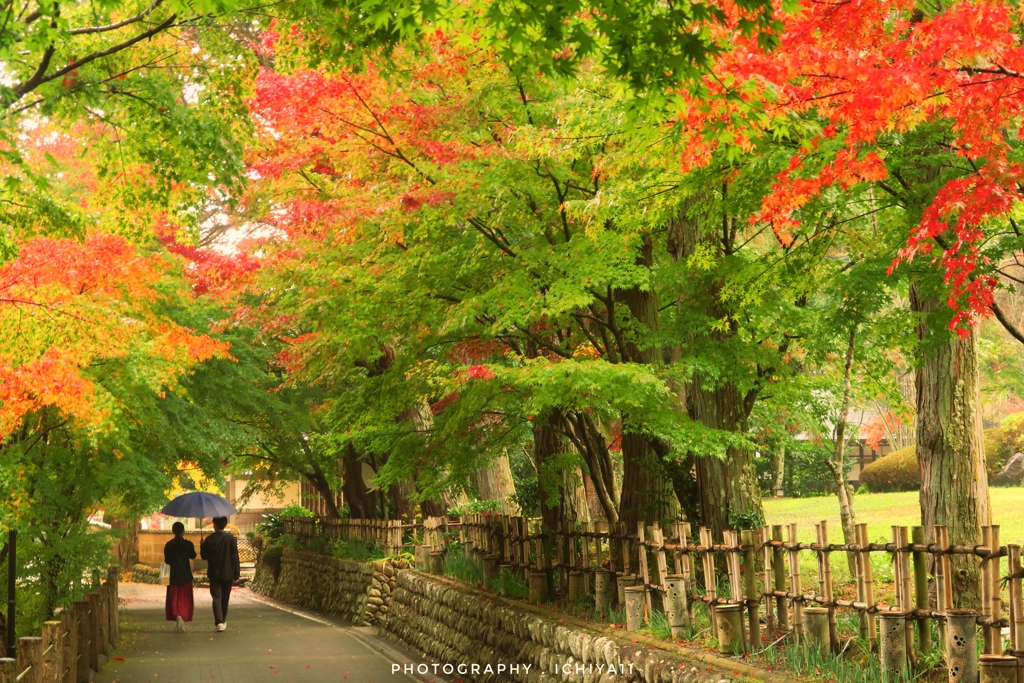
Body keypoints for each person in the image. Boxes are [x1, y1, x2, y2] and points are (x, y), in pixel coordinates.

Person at [200, 516, 240, 632]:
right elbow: (235, 557)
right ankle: (223, 619)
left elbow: (204, 556)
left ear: (215, 525)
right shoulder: (231, 539)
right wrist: (236, 574)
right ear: (225, 524)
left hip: (214, 573)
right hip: (228, 573)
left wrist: (202, 545)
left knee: (216, 597)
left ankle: (219, 622)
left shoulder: (209, 539)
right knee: (225, 598)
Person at [163, 522, 196, 633]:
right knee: (185, 598)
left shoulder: (169, 545)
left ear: (173, 531)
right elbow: (193, 555)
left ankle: (177, 615)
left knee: (174, 598)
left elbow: (167, 560)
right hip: (185, 575)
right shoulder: (188, 544)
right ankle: (182, 616)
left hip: (173, 575)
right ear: (183, 531)